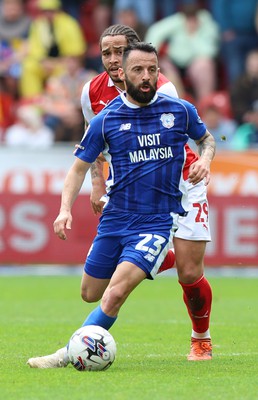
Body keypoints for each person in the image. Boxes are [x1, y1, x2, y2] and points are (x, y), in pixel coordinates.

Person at [27, 42, 216, 369]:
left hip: (156, 222)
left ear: (159, 72)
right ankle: (160, 261)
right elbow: (78, 167)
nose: (146, 77)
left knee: (114, 295)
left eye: (152, 70)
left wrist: (206, 161)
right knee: (90, 292)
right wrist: (64, 209)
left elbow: (207, 138)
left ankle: (67, 352)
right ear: (122, 75)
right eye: (138, 71)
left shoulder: (179, 110)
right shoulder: (106, 119)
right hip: (116, 220)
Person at [144, 0, 220, 101]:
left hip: (194, 62)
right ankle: (180, 105)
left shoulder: (206, 22)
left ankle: (205, 104)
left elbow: (210, 52)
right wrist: (151, 54)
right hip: (174, 62)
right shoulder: (178, 20)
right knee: (165, 68)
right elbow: (155, 32)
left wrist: (193, 35)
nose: (190, 20)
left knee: (204, 65)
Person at [19, 0, 86, 99]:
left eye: (51, 11)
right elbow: (34, 47)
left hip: (64, 62)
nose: (48, 14)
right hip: (44, 63)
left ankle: (59, 101)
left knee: (63, 71)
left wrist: (58, 62)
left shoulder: (70, 24)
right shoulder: (37, 24)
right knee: (28, 67)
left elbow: (77, 51)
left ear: (58, 10)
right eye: (45, 11)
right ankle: (32, 100)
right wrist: (43, 61)